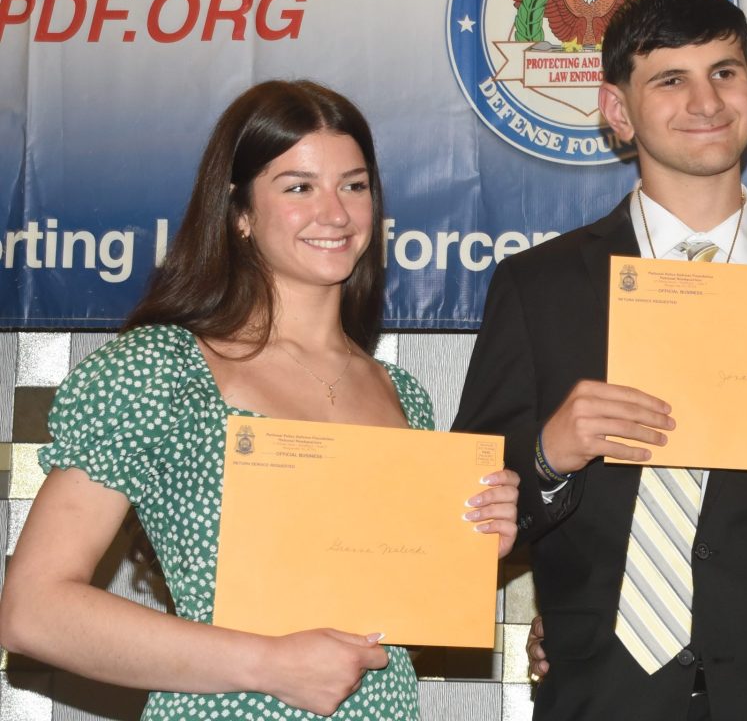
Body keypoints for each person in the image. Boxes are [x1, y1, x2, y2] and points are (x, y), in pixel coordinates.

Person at [453, 0, 747, 721]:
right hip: (604, 695)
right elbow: (464, 517)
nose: (706, 101)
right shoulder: (539, 287)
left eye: (723, 72)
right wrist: (549, 456)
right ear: (617, 110)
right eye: (670, 80)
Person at [0, 80, 520, 719]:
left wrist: (468, 549)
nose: (335, 213)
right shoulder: (163, 369)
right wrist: (269, 664)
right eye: (299, 187)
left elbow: (385, 627)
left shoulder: (402, 395)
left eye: (353, 186)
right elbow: (33, 611)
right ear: (240, 212)